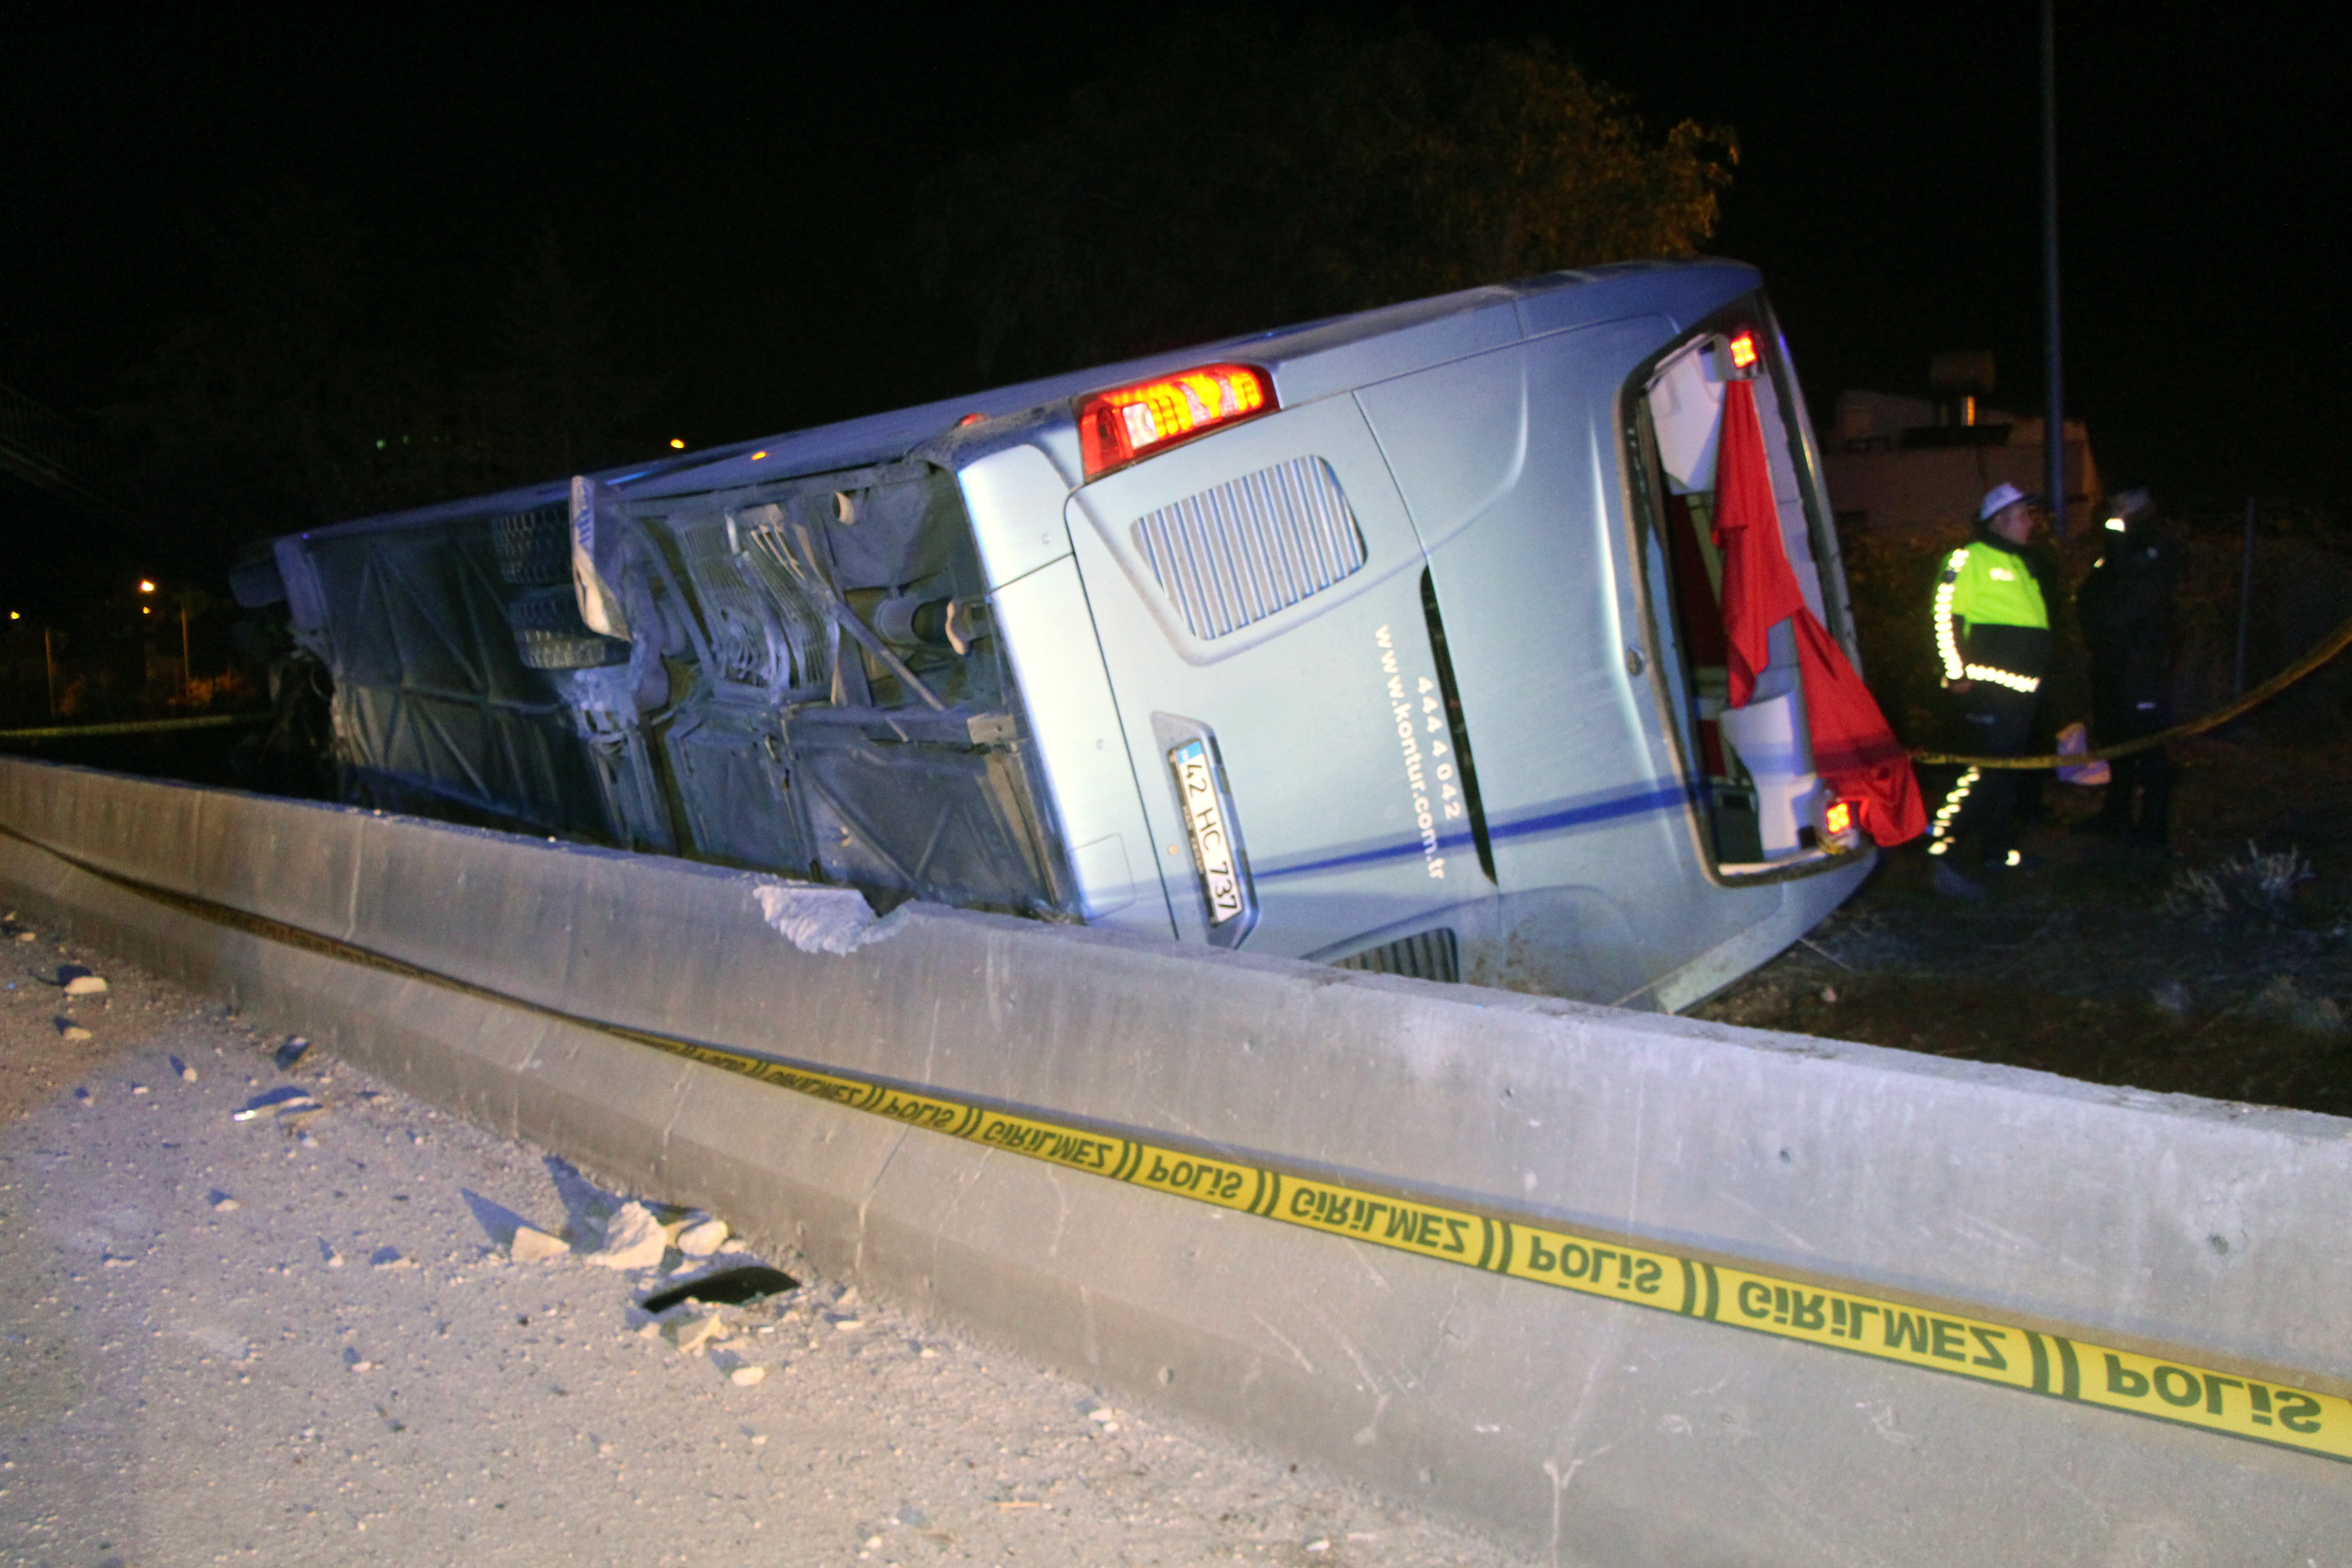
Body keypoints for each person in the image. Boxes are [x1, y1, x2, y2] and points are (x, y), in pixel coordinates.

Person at [1927, 482, 2052, 896]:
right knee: (1984, 769)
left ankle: (1997, 851)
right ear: (1998, 521)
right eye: (2021, 515)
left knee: (2004, 773)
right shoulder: (1968, 559)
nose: (2029, 522)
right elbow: (1944, 614)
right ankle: (1942, 841)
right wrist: (1955, 670)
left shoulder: (2022, 563)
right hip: (1986, 686)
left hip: (2022, 691)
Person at [2075, 486, 2180, 849]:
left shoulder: (2153, 548)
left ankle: (2153, 831)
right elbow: (2095, 597)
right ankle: (2115, 815)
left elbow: (2132, 604)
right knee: (2115, 742)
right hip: (2110, 663)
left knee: (2148, 747)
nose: (2113, 509)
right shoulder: (2116, 548)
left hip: (2140, 666)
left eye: (2122, 503)